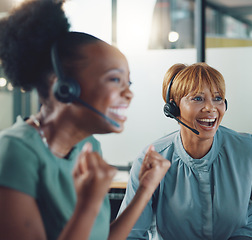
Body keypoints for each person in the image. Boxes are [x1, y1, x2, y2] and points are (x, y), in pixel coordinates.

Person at [0, 1, 170, 239]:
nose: (128, 93)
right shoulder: (15, 151)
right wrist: (88, 204)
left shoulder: (88, 147)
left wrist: (146, 188)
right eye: (114, 79)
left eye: (128, 83)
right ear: (61, 86)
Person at [119, 62, 252, 240]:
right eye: (198, 98)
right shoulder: (152, 159)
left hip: (242, 233)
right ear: (173, 109)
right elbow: (132, 232)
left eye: (218, 98)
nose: (211, 108)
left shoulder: (246, 148)